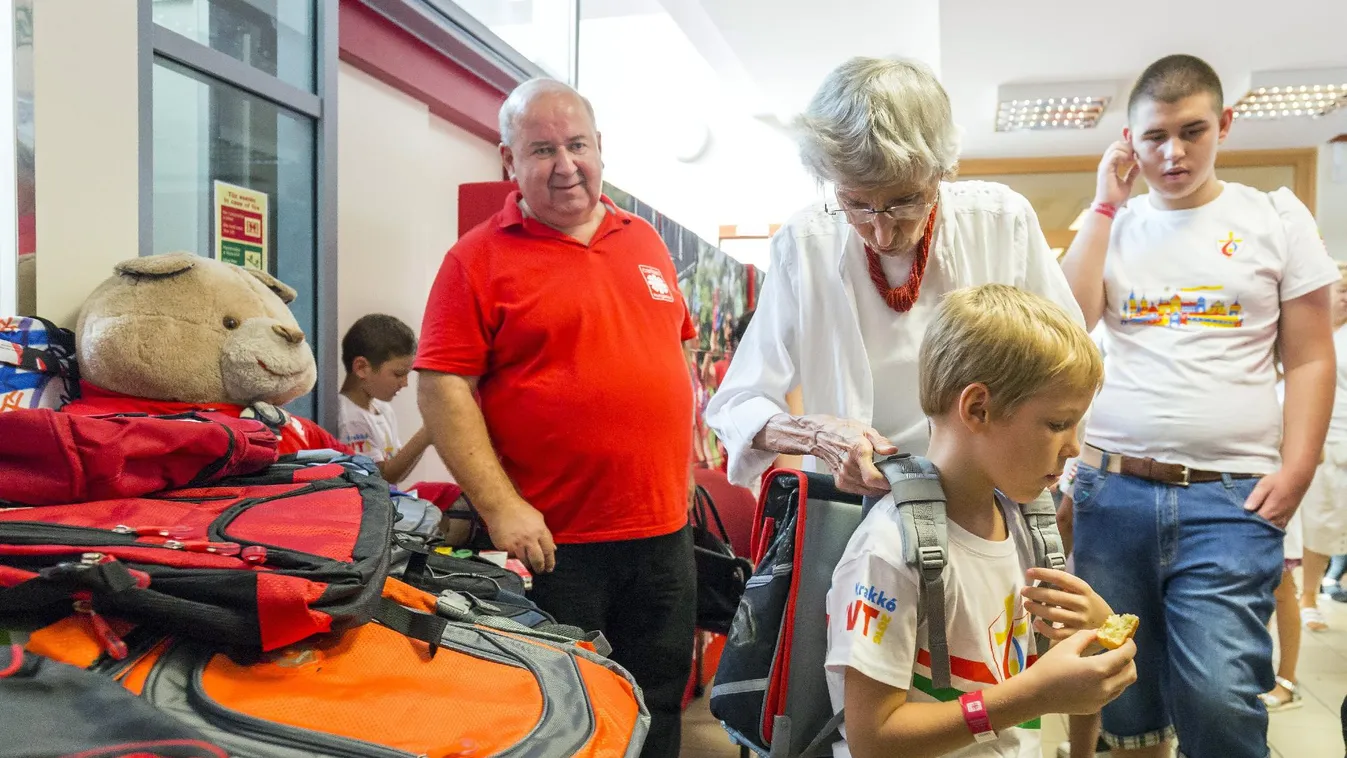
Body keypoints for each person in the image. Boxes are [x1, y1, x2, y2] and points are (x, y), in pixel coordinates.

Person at [1059, 54, 1339, 758]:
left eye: (1192, 131)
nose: (1172, 153)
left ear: (1224, 125)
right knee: (1120, 697)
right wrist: (1102, 203)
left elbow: (1308, 355)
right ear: (1127, 139)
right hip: (1111, 490)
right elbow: (1064, 325)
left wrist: (1297, 471)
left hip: (1230, 497)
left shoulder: (1272, 214)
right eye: (1153, 136)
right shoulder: (1112, 225)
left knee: (1218, 699)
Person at [413, 78, 697, 758]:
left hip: (661, 534)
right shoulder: (475, 260)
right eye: (542, 149)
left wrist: (681, 468)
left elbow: (670, 358)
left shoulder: (645, 242)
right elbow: (441, 386)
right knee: (558, 716)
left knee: (656, 703)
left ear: (601, 149)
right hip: (551, 543)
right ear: (508, 160)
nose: (565, 165)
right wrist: (501, 505)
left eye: (577, 145)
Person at [705, 57, 1084, 496]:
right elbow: (737, 403)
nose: (881, 232)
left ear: (942, 173)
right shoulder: (805, 242)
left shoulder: (1000, 222)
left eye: (905, 201)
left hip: (986, 498)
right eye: (856, 204)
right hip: (853, 506)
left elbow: (1070, 371)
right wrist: (815, 437)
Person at [826, 284, 1137, 758]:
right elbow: (873, 738)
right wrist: (1033, 696)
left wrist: (1094, 639)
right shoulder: (889, 549)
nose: (1074, 447)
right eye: (1057, 424)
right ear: (977, 408)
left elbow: (1070, 686)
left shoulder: (1029, 527)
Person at [337, 314, 432, 485]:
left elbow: (395, 468)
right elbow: (382, 477)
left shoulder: (382, 409)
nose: (405, 383)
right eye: (398, 374)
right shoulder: (349, 418)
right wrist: (428, 433)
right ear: (361, 368)